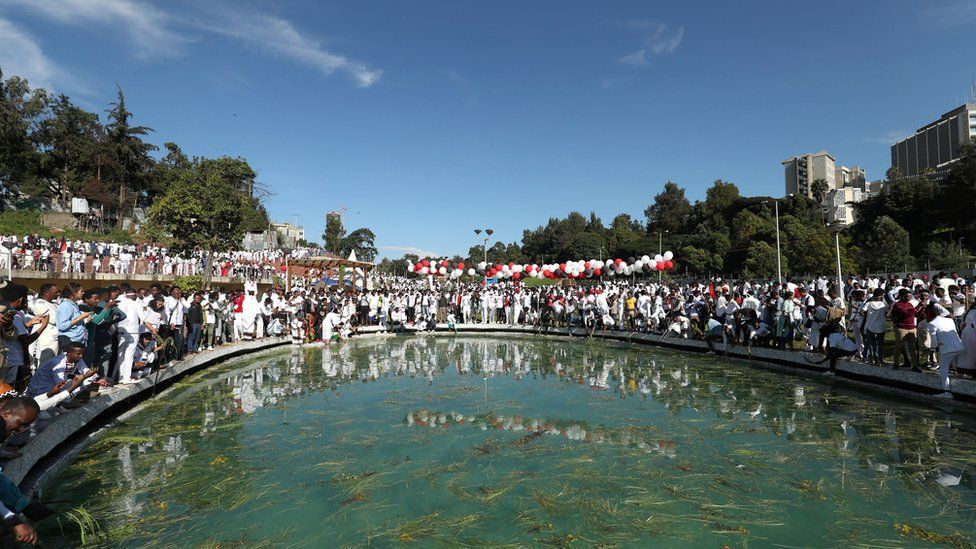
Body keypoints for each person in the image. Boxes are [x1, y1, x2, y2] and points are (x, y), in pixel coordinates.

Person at [924, 303, 963, 398]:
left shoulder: (932, 324)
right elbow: (945, 312)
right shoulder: (949, 320)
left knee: (943, 370)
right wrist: (935, 304)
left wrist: (933, 348)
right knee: (960, 368)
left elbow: (934, 341)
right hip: (959, 346)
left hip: (947, 349)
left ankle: (947, 391)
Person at [890, 288, 922, 371]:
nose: (909, 297)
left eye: (909, 295)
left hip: (912, 328)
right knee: (898, 347)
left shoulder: (910, 304)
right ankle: (895, 363)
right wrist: (919, 305)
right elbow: (908, 314)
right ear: (902, 296)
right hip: (902, 329)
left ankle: (914, 365)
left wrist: (922, 308)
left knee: (913, 348)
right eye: (907, 296)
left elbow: (915, 315)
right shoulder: (898, 305)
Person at [29, 283, 59, 364]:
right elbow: (53, 319)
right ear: (46, 293)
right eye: (55, 292)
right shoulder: (40, 304)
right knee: (45, 364)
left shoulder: (55, 304)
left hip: (56, 339)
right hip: (47, 340)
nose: (57, 294)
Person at [55, 283, 89, 352]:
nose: (83, 293)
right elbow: (62, 325)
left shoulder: (73, 305)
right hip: (69, 341)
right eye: (81, 291)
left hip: (76, 340)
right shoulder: (66, 305)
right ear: (73, 293)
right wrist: (80, 317)